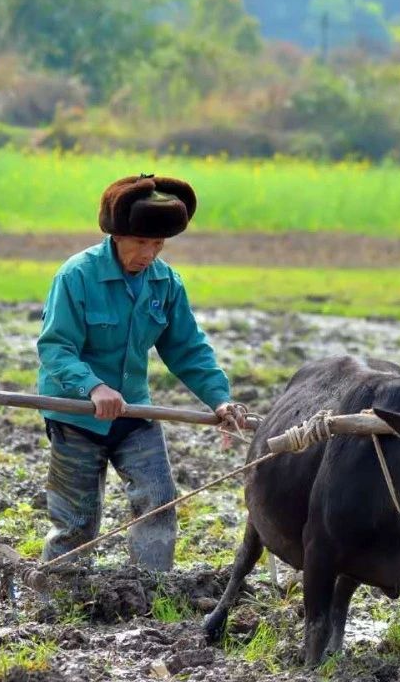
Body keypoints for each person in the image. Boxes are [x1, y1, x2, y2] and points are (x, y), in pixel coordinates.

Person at [36, 173, 248, 571]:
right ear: (117, 236)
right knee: (77, 522)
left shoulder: (165, 283)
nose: (149, 254)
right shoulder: (77, 276)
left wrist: (220, 398)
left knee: (158, 502)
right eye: (140, 243)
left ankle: (151, 591)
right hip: (76, 416)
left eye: (158, 244)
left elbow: (187, 348)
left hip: (134, 412)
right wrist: (93, 388)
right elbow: (55, 347)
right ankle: (57, 596)